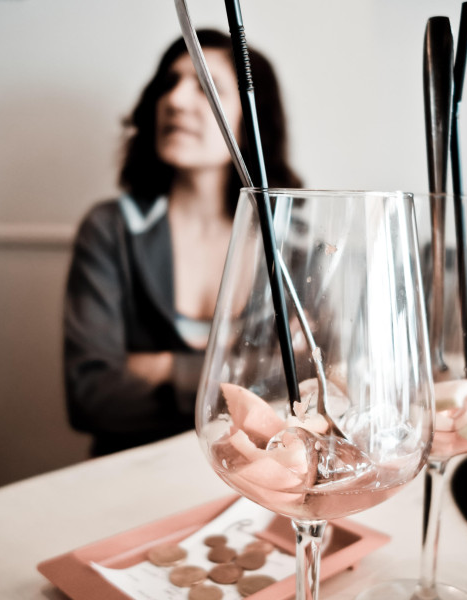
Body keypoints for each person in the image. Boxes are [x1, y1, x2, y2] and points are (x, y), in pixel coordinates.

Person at [63, 29, 301, 457]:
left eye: (207, 87)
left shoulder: (294, 247)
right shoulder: (109, 230)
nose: (174, 100)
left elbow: (311, 390)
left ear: (252, 123)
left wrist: (163, 367)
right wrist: (246, 382)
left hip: (260, 479)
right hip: (126, 475)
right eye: (169, 84)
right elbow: (91, 398)